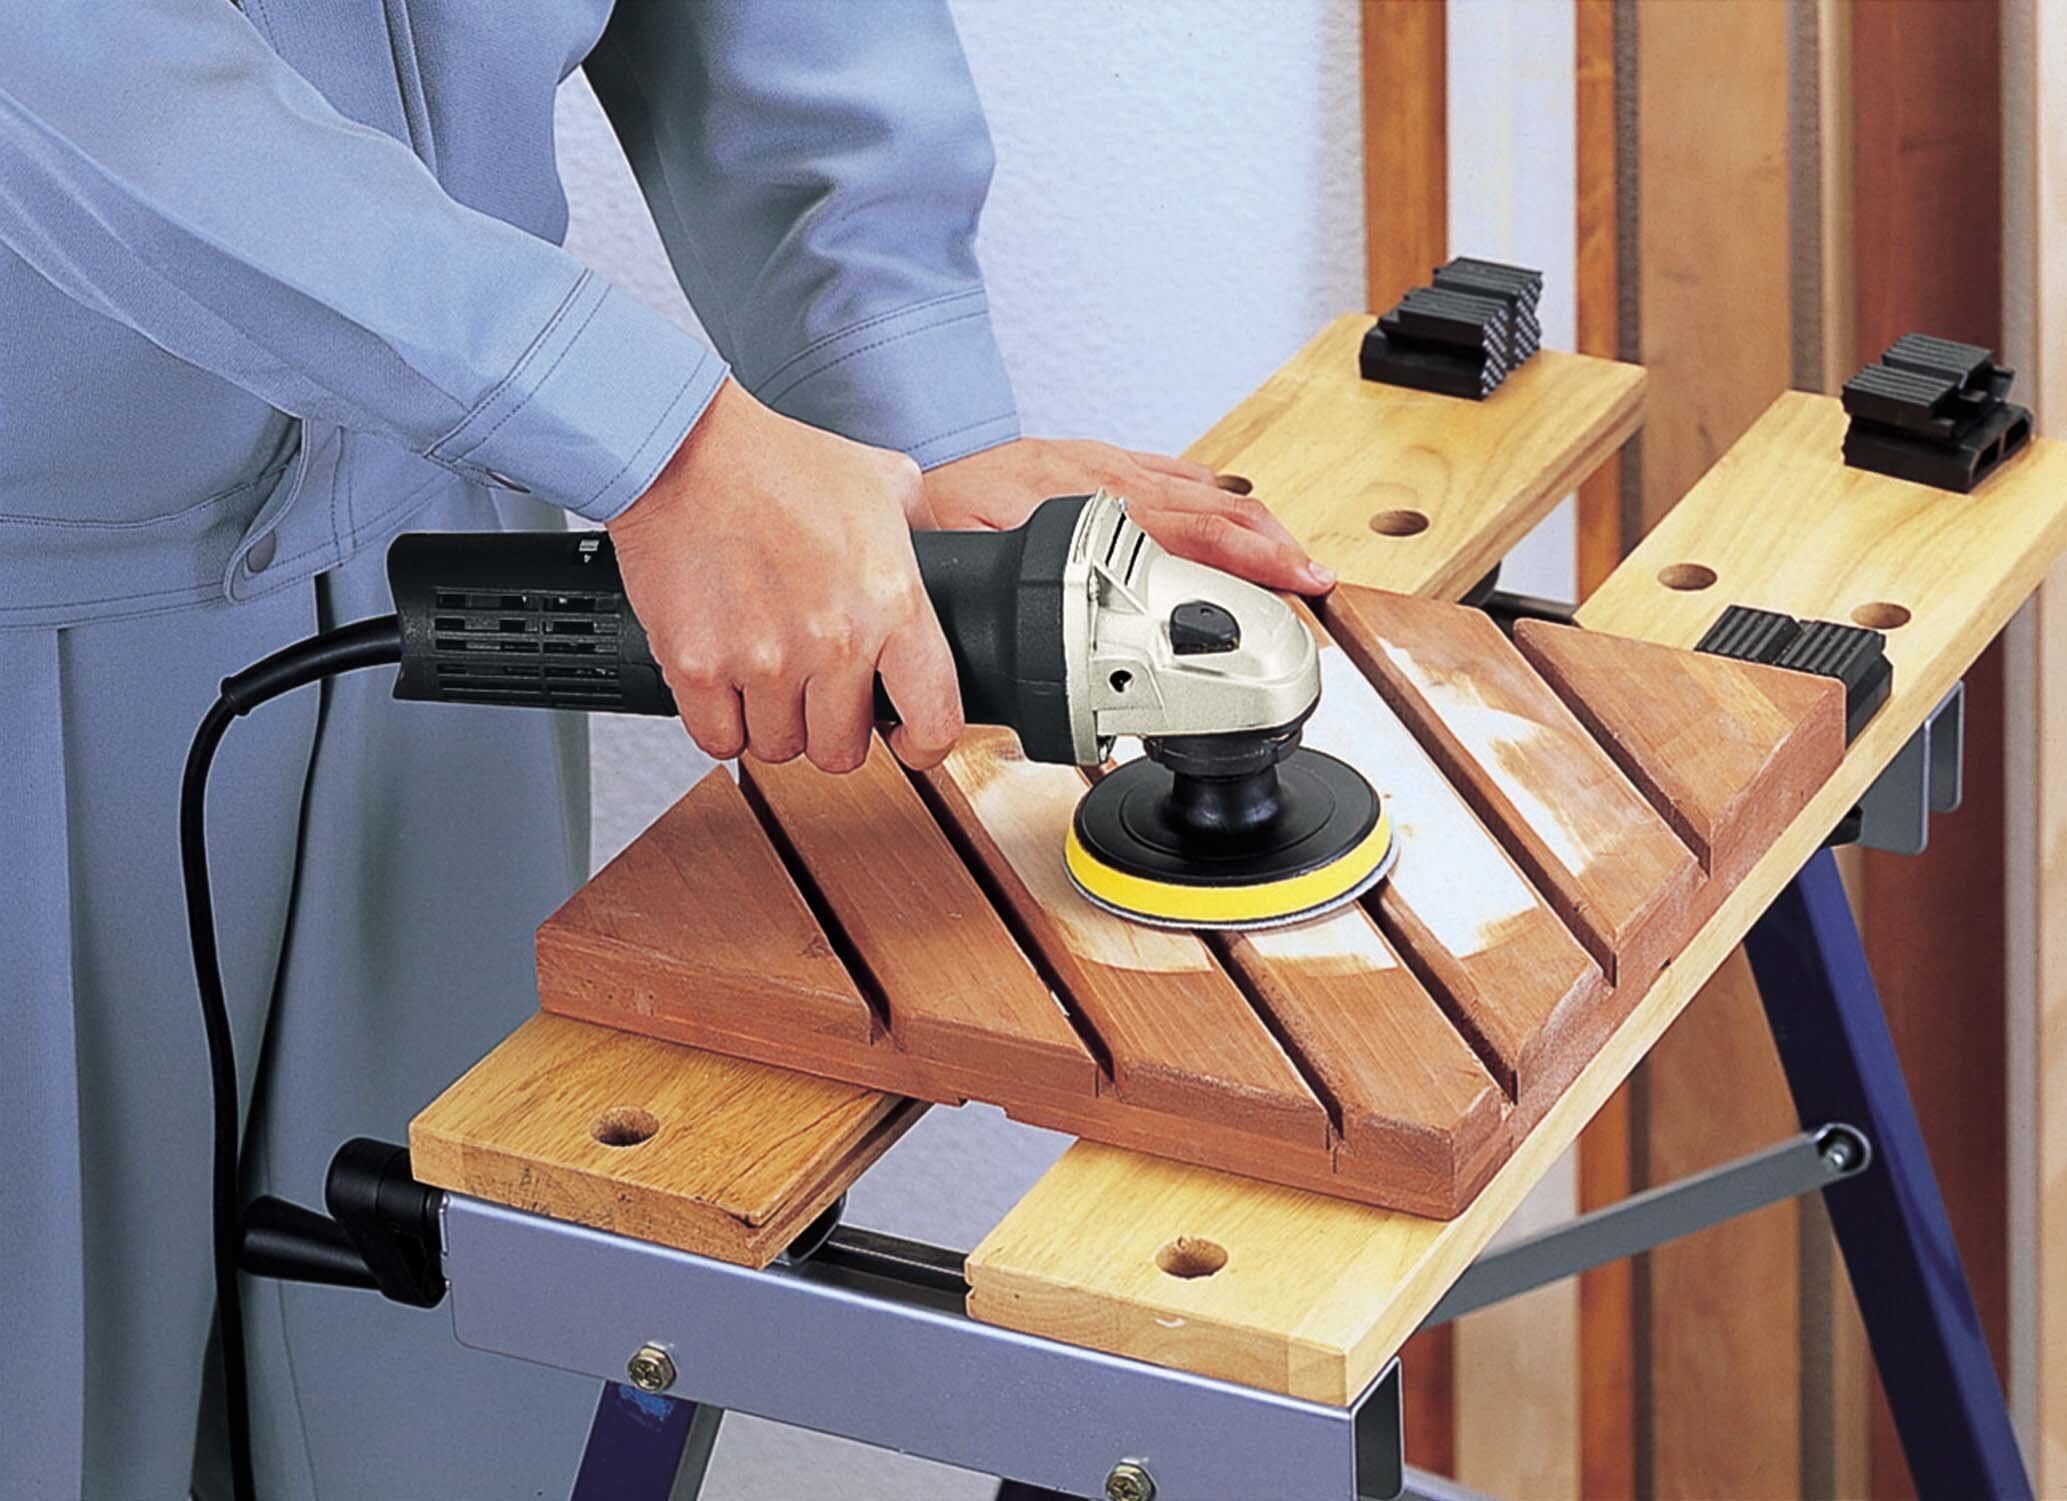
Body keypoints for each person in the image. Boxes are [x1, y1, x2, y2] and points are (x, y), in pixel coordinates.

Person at [0, 3, 1332, 1496]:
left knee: (458, 1401)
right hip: (32, 598)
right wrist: (662, 433)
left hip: (449, 540)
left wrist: (912, 445)